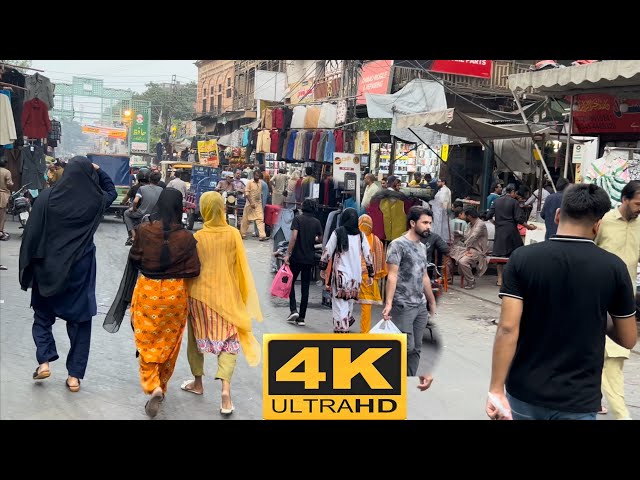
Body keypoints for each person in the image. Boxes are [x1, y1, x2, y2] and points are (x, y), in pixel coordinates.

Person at [486, 183, 637, 420]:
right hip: (578, 399)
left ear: (557, 215)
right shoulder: (614, 268)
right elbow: (628, 338)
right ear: (597, 226)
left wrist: (496, 389)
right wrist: (598, 313)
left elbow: (507, 328)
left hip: (525, 392)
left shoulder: (523, 259)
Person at [19, 156, 117, 392]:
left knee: (42, 316)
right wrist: (99, 170)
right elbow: (111, 190)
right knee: (80, 322)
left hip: (48, 268)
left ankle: (44, 362)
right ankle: (74, 377)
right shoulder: (95, 201)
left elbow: (31, 234)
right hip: (79, 271)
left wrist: (28, 266)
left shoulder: (47, 197)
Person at [180, 192, 263, 415]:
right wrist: (243, 295)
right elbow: (241, 267)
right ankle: (225, 391)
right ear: (222, 209)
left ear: (204, 210)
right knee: (229, 342)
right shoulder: (233, 234)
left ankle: (198, 383)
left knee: (195, 341)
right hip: (227, 296)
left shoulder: (197, 237)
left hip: (198, 296)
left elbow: (190, 268)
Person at [128, 188, 201, 417]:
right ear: (180, 208)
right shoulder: (187, 237)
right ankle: (162, 384)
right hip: (175, 293)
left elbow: (135, 258)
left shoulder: (144, 230)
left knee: (146, 339)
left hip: (148, 290)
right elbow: (194, 270)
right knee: (169, 342)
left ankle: (153, 386)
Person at [595, 180, 640, 420]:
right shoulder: (604, 222)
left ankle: (594, 401)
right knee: (609, 358)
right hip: (598, 299)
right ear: (624, 199)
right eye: (637, 203)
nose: (639, 208)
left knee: (613, 356)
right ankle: (621, 415)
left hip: (625, 303)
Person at [383, 206, 438, 376]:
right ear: (413, 223)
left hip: (419, 305)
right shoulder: (397, 245)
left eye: (430, 223)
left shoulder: (422, 247)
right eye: (425, 223)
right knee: (407, 346)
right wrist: (389, 302)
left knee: (416, 349)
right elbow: (391, 275)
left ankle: (409, 380)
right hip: (403, 304)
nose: (428, 226)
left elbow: (424, 277)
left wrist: (431, 301)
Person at [320, 208, 374, 333]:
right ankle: (346, 324)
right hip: (356, 278)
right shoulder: (361, 235)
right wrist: (371, 273)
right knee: (349, 303)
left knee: (339, 305)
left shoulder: (338, 233)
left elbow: (327, 252)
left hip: (341, 277)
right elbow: (368, 255)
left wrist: (322, 268)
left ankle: (342, 330)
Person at [486, 184, 536, 286]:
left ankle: (500, 279)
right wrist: (529, 227)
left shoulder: (496, 201)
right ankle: (513, 277)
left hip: (499, 232)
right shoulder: (514, 202)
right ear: (512, 192)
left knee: (499, 255)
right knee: (517, 253)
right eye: (515, 193)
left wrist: (496, 223)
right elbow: (519, 219)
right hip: (511, 232)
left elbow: (488, 216)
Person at [284, 199, 323, 326]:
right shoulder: (316, 222)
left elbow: (294, 237)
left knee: (290, 282)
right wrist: (312, 238)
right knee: (305, 288)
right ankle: (302, 318)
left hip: (296, 257)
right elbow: (319, 239)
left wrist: (287, 254)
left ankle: (293, 309)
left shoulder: (298, 219)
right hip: (309, 258)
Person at [357, 214, 387, 333]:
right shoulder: (377, 240)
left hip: (354, 276)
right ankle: (364, 332)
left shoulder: (355, 238)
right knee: (366, 307)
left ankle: (345, 325)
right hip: (369, 278)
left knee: (346, 303)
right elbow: (380, 261)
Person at [448, 208, 488, 290]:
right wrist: (459, 234)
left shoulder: (480, 224)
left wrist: (468, 248)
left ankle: (471, 281)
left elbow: (473, 236)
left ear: (469, 216)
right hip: (468, 248)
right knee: (450, 252)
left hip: (478, 250)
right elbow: (466, 236)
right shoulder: (470, 224)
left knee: (463, 261)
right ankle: (448, 278)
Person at [124, 170, 163, 246]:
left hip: (141, 213)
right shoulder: (161, 190)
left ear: (149, 179)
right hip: (155, 215)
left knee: (126, 213)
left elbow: (135, 201)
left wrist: (133, 208)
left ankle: (133, 236)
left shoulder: (142, 188)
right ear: (158, 181)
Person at [240, 170, 268, 241]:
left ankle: (262, 235)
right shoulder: (249, 182)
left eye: (258, 176)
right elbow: (247, 193)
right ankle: (242, 234)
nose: (257, 177)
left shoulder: (260, 183)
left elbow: (261, 193)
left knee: (260, 219)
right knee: (246, 220)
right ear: (253, 175)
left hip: (258, 203)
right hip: (249, 203)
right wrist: (251, 203)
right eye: (256, 175)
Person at [0, 157, 14, 241]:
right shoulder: (6, 172)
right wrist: (11, 184)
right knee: (2, 215)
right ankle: (0, 232)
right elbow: (9, 183)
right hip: (3, 195)